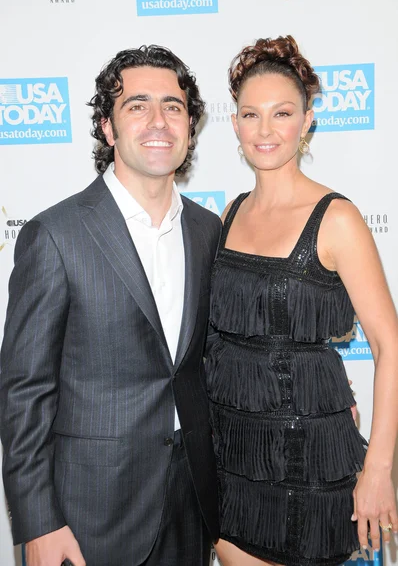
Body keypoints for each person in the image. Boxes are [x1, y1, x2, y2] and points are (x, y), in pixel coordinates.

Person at [0, 45, 221, 566]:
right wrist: (39, 523)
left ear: (190, 125)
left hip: (191, 507)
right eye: (137, 105)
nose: (158, 121)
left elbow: (210, 363)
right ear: (107, 127)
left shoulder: (208, 230)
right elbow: (23, 393)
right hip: (89, 517)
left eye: (174, 106)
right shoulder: (55, 235)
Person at [205, 35, 398, 566]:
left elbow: (389, 344)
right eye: (250, 114)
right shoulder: (228, 216)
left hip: (314, 465)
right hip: (234, 464)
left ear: (308, 119)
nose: (264, 130)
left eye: (282, 113)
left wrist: (378, 469)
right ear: (236, 124)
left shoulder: (337, 219)